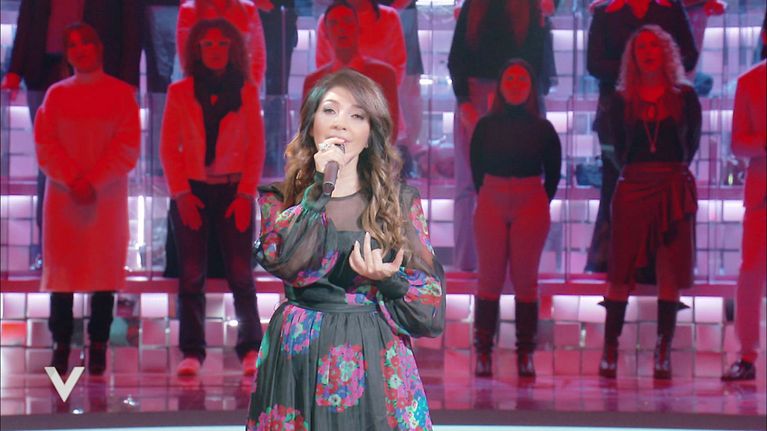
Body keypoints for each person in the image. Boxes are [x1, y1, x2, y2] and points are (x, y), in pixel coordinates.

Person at [247, 69, 445, 430]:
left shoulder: (399, 203)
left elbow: (430, 307)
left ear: (370, 134)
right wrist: (319, 192)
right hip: (299, 352)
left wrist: (390, 280)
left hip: (375, 349)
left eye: (357, 115)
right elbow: (284, 260)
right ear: (310, 125)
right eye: (330, 111)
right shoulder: (280, 199)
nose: (341, 124)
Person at [1, 0, 141, 271]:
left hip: (101, 69)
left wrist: (128, 76)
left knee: (100, 157)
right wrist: (15, 69)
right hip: (43, 68)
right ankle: (51, 253)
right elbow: (29, 14)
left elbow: (132, 19)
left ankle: (101, 254)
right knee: (51, 163)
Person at [33, 23, 141, 376]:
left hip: (105, 199)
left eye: (86, 43)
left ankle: (98, 346)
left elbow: (127, 146)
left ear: (99, 48)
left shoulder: (121, 94)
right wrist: (72, 179)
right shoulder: (55, 96)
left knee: (103, 273)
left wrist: (93, 181)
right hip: (64, 198)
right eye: (72, 44)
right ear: (66, 54)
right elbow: (45, 144)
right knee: (63, 276)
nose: (80, 49)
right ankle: (61, 344)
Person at [160, 18, 265, 377]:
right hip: (192, 189)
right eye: (208, 44)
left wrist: (245, 195)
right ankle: (192, 351)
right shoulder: (179, 92)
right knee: (191, 274)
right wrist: (182, 194)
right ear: (196, 50)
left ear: (234, 49)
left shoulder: (246, 91)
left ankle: (251, 347)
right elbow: (168, 149)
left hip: (234, 189)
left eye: (222, 43)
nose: (215, 50)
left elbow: (255, 149)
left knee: (241, 273)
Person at [598, 25, 701, 380]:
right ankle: (610, 348)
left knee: (669, 269)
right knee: (620, 268)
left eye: (654, 46)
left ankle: (663, 351)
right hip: (633, 185)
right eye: (640, 46)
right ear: (633, 56)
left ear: (666, 52)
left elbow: (692, 143)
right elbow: (615, 148)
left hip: (673, 183)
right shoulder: (621, 100)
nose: (647, 52)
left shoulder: (685, 97)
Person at [584, 0, 698, 274]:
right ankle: (611, 261)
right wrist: (635, 70)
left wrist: (654, 73)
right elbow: (594, 64)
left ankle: (660, 262)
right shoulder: (604, 12)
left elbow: (689, 55)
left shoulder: (670, 8)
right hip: (617, 110)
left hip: (665, 106)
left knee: (667, 186)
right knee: (614, 185)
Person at [470, 59, 561, 378]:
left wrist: (537, 199)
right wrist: (491, 193)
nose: (516, 85)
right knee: (489, 279)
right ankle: (483, 353)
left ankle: (526, 355)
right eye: (510, 79)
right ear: (499, 86)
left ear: (533, 88)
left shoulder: (543, 129)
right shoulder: (485, 126)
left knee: (526, 281)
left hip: (531, 199)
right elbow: (476, 169)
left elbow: (554, 173)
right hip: (492, 197)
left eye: (523, 79)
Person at [448, 0, 551, 271]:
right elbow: (457, 58)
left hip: (518, 91)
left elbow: (537, 60)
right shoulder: (475, 6)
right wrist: (464, 100)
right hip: (477, 94)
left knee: (521, 183)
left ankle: (516, 266)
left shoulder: (530, 7)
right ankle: (467, 266)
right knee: (468, 183)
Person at [721, 15, 766, 382]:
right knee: (750, 272)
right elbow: (737, 143)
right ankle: (747, 354)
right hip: (762, 193)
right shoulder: (749, 82)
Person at [303, 1, 399, 138]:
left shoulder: (383, 75)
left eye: (347, 21)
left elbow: (390, 130)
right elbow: (307, 133)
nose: (342, 29)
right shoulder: (313, 81)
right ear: (325, 33)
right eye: (334, 23)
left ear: (359, 28)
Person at [177, 0, 267, 90]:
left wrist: (250, 90)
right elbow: (187, 58)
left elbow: (258, 56)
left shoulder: (248, 8)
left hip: (242, 88)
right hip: (202, 89)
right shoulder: (189, 10)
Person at [315, 0, 406, 85]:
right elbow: (323, 69)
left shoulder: (389, 17)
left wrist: (381, 93)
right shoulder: (326, 21)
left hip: (379, 93)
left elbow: (397, 67)